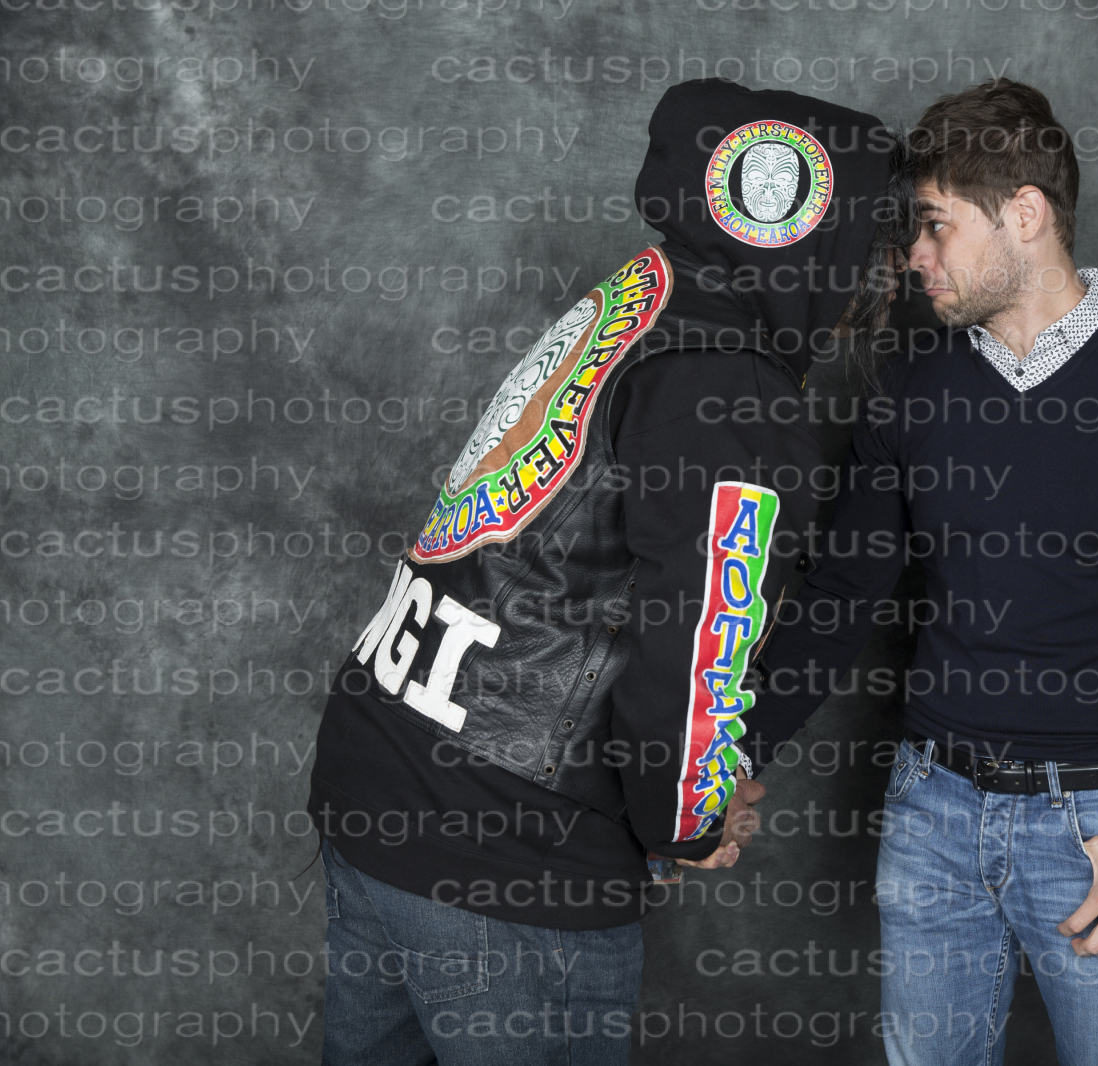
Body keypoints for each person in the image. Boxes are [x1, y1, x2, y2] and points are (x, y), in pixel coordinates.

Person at [304, 77, 911, 1065]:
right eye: (876, 238)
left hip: (377, 770)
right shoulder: (734, 392)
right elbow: (693, 649)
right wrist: (690, 817)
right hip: (507, 844)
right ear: (811, 234)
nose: (896, 270)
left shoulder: (635, 295)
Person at [738, 78, 1098, 1065]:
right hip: (931, 816)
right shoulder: (911, 387)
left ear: (1025, 213)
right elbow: (840, 597)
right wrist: (731, 758)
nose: (914, 256)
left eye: (935, 225)